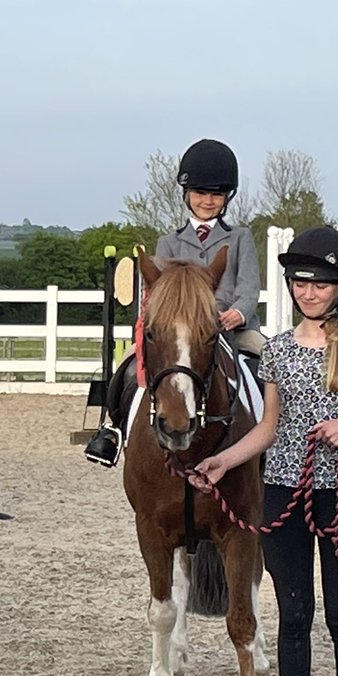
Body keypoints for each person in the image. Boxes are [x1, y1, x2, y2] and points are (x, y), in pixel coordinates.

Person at [189, 226, 338, 676]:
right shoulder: (278, 351)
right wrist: (226, 460)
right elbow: (268, 427)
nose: (310, 292)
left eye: (322, 283)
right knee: (294, 613)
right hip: (284, 490)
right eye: (301, 282)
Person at [84, 138, 266, 466]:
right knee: (127, 363)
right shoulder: (169, 243)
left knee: (268, 363)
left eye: (215, 194)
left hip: (231, 326)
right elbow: (157, 293)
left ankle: (270, 437)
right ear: (186, 195)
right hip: (180, 329)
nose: (207, 201)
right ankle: (112, 429)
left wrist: (236, 314)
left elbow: (250, 288)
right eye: (200, 193)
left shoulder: (240, 238)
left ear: (227, 198)